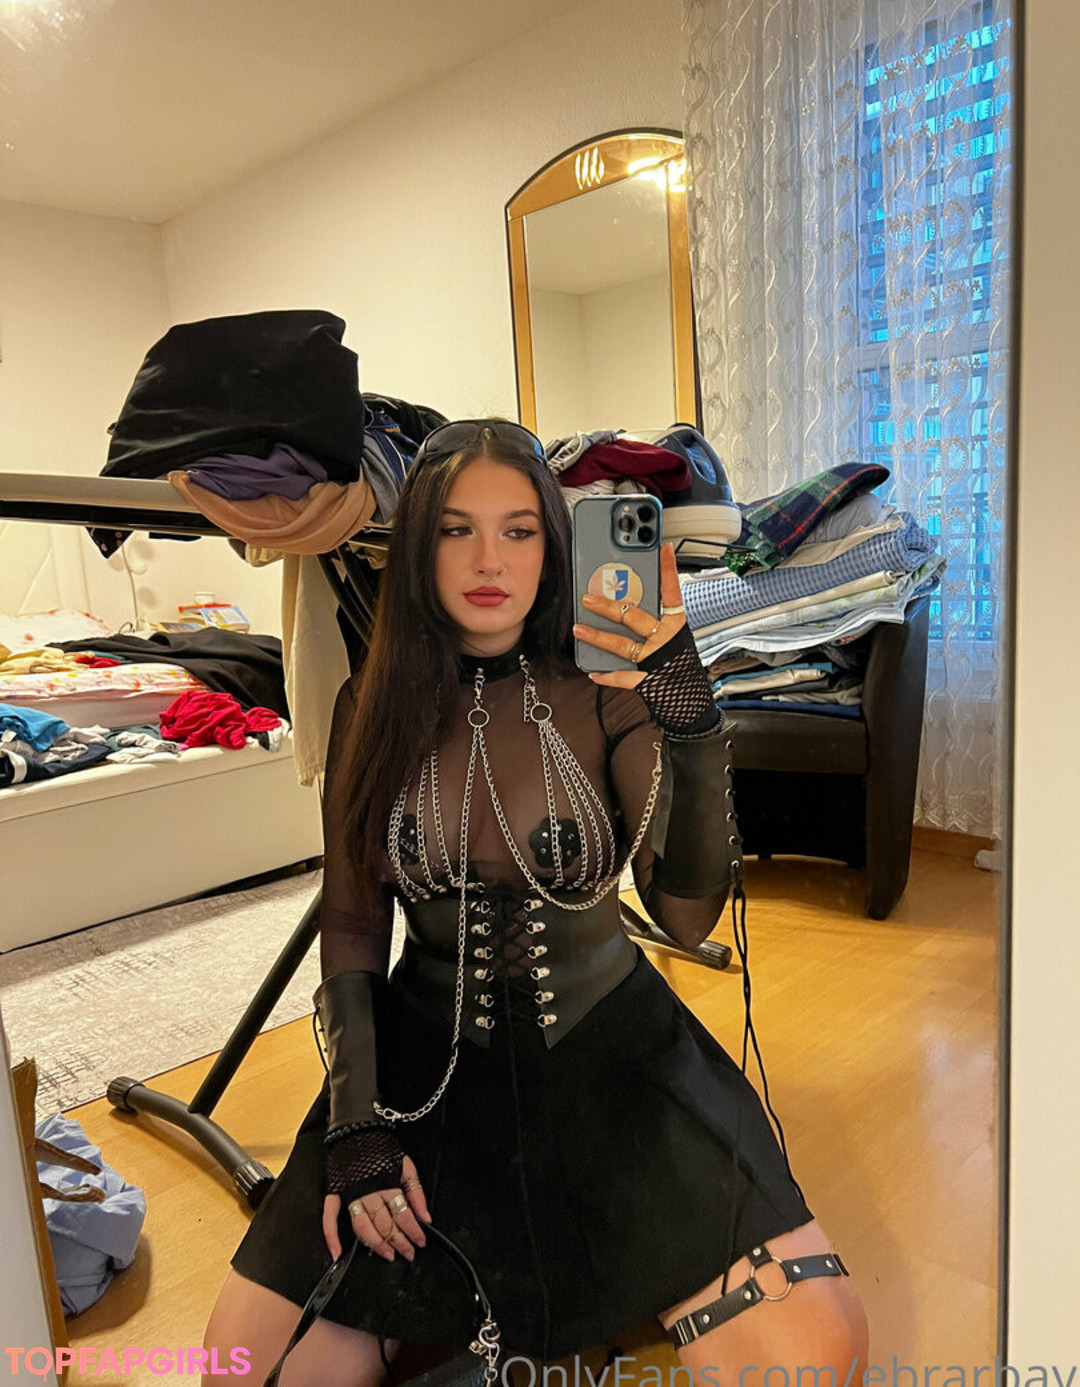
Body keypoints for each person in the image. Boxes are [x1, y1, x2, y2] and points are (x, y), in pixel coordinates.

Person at [202, 421, 868, 1386]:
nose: (490, 561)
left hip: (614, 1055)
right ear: (418, 544)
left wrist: (688, 710)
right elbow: (351, 921)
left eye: (519, 530)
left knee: (815, 1354)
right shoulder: (367, 703)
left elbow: (685, 917)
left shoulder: (609, 686)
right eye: (457, 529)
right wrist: (356, 1123)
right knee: (242, 1368)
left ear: (555, 546)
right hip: (424, 1067)